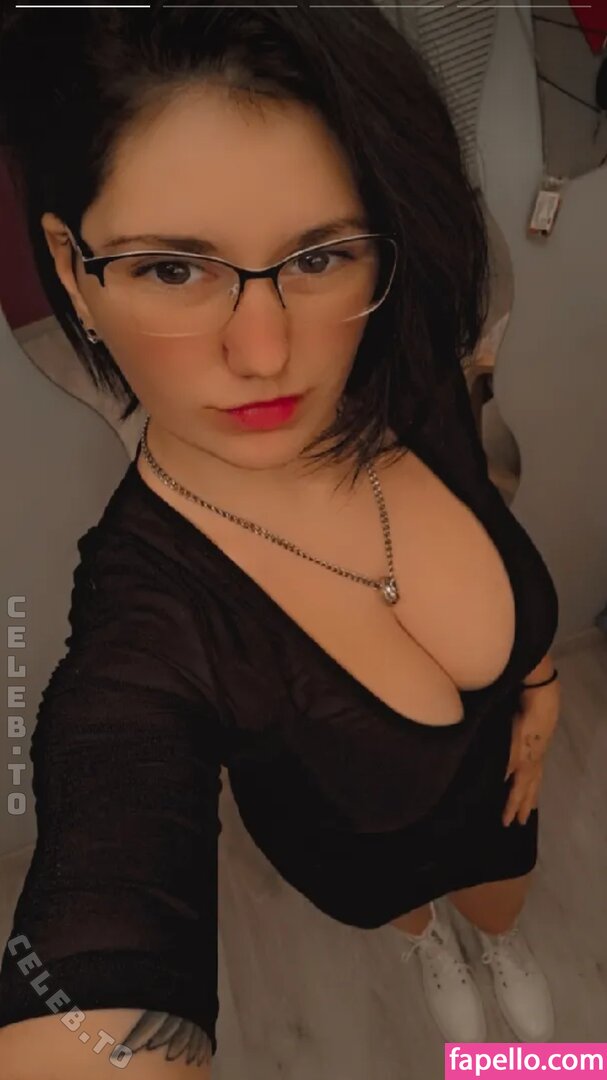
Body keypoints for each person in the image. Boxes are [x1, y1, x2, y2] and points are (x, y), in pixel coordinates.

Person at [0, 2, 561, 1075]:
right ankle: (424, 947)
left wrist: (536, 681)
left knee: (506, 931)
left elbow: (491, 525)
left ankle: (495, 963)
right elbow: (106, 881)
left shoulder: (404, 378)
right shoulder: (147, 623)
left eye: (320, 256)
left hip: (502, 807)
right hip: (364, 867)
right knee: (416, 920)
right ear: (73, 267)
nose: (264, 353)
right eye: (173, 268)